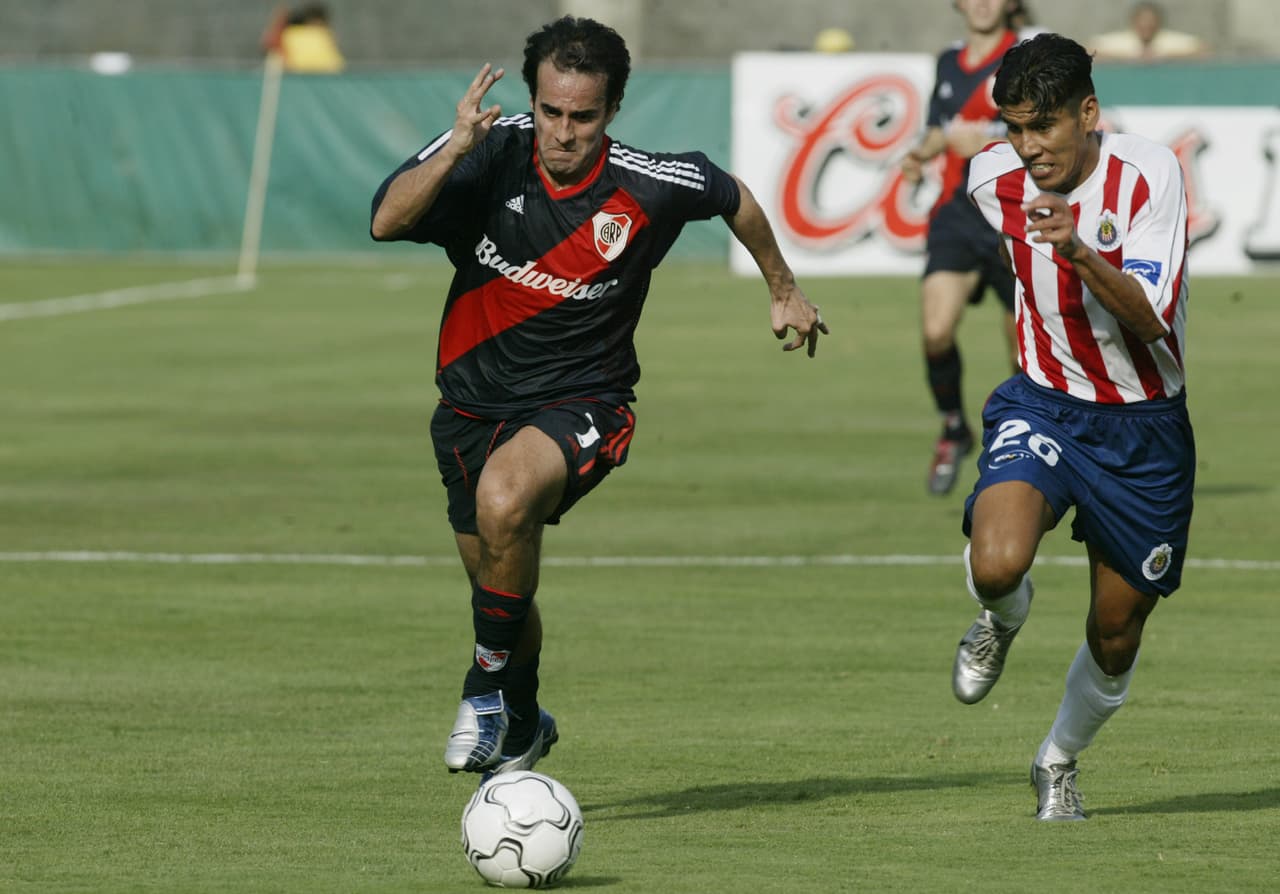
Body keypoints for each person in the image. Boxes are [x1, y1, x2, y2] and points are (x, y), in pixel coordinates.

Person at [369, 16, 827, 779]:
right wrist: (456, 146)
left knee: (506, 498)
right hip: (469, 408)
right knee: (499, 576)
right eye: (551, 112)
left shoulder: (647, 183)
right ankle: (521, 719)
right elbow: (387, 219)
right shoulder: (490, 145)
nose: (563, 131)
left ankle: (482, 690)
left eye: (583, 116)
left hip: (586, 401)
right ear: (533, 100)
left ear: (611, 111)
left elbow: (734, 196)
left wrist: (784, 288)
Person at [954, 32, 1194, 821]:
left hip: (1144, 427)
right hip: (1045, 404)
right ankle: (1002, 615)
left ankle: (1057, 759)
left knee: (1117, 632)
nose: (1027, 148)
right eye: (1015, 128)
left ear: (1087, 114)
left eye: (1043, 127)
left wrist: (1081, 251)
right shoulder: (995, 177)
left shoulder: (1148, 173)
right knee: (996, 562)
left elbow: (1153, 322)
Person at [901, 0, 1020, 496]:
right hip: (956, 212)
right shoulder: (949, 61)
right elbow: (940, 128)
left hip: (1014, 214)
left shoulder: (1029, 55)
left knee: (1025, 352)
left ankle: (1026, 438)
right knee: (935, 331)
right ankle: (954, 427)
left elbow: (1051, 135)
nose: (983, 3)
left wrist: (991, 147)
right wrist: (919, 154)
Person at [1089, 2, 1210, 62]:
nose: (1146, 26)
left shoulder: (1166, 39)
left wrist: (1163, 57)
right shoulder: (1124, 40)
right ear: (1134, 22)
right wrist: (1131, 57)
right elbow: (1089, 51)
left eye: (1151, 23)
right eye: (1142, 22)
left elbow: (1203, 50)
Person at [261, 3, 346, 73]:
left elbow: (269, 43)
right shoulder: (323, 34)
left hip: (305, 73)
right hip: (324, 74)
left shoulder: (322, 34)